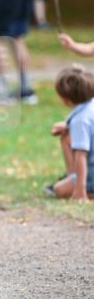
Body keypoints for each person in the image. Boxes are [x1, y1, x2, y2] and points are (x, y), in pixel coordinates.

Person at [45, 65, 94, 202]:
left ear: (65, 99)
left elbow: (81, 156)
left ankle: (84, 190)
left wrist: (79, 191)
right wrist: (67, 125)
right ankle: (72, 178)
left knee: (58, 189)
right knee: (66, 136)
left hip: (92, 173)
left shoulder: (80, 121)